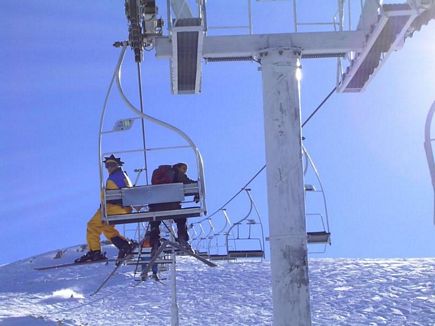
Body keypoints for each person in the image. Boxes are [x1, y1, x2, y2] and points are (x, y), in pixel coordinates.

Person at [75, 155, 136, 263]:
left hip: (114, 207)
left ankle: (94, 252)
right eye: (107, 165)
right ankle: (124, 246)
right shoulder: (121, 176)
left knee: (92, 225)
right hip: (120, 207)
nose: (109, 167)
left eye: (112, 165)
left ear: (117, 165)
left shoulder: (116, 176)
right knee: (106, 228)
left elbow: (126, 192)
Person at [148, 162, 196, 252]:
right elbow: (189, 184)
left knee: (154, 221)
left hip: (156, 206)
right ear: (178, 167)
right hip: (172, 205)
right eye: (184, 169)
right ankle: (182, 237)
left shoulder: (157, 173)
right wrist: (197, 188)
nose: (184, 171)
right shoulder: (177, 173)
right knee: (181, 218)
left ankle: (154, 241)